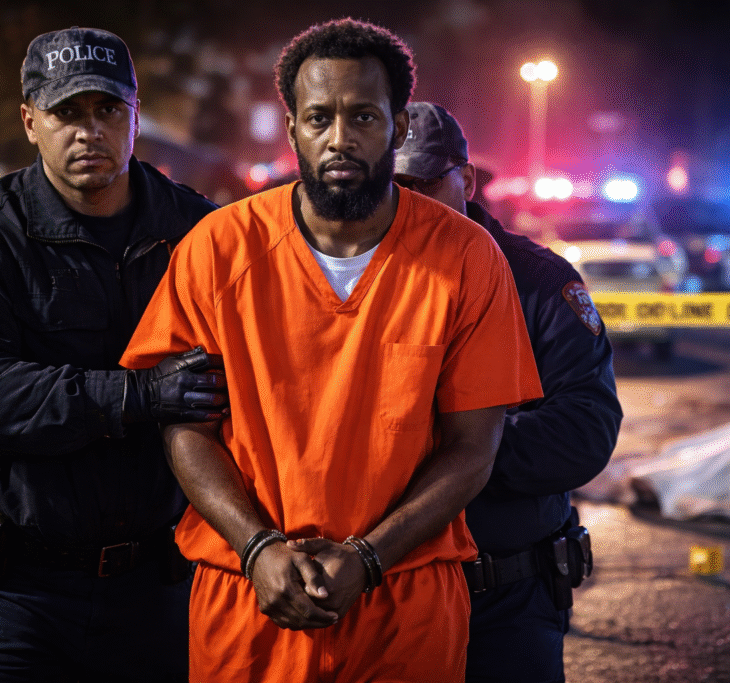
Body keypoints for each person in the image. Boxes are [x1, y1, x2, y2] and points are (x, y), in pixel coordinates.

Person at [120, 18, 543, 683]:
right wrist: (258, 546)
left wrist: (368, 557)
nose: (339, 138)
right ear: (292, 129)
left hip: (407, 598)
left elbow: (474, 448)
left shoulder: (465, 257)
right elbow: (186, 428)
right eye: (318, 118)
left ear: (398, 127)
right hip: (249, 591)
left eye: (363, 117)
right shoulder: (217, 249)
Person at [0, 27, 228, 682]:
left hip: (160, 587)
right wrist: (134, 395)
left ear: (135, 115)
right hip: (15, 594)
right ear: (30, 121)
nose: (89, 131)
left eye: (107, 110)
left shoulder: (201, 231)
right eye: (66, 112)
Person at [394, 102, 623, 683]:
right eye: (393, 186)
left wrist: (453, 451)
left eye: (424, 183)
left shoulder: (538, 282)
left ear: (465, 181)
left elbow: (584, 429)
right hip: (390, 595)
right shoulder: (361, 279)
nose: (409, 203)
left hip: (505, 598)